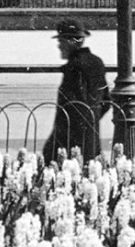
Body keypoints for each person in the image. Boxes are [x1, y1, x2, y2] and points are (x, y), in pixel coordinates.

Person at [42, 19, 111, 165]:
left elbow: (69, 107)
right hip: (91, 136)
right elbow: (106, 102)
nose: (59, 46)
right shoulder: (97, 62)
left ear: (70, 42)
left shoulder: (73, 67)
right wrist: (91, 119)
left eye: (61, 41)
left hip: (70, 139)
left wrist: (54, 142)